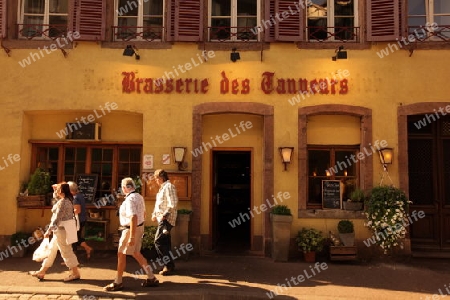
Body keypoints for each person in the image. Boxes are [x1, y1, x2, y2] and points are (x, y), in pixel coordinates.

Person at [104, 177, 158, 291]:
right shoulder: (139, 196)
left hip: (129, 229)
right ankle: (151, 277)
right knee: (136, 253)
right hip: (138, 227)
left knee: (121, 254)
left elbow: (133, 217)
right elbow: (143, 214)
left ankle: (118, 282)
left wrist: (132, 236)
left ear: (124, 188)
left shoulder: (129, 200)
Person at [29, 183, 81, 282]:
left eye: (58, 189)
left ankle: (75, 273)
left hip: (61, 231)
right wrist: (54, 191)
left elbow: (57, 218)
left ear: (62, 191)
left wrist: (48, 231)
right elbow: (57, 201)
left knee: (66, 252)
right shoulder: (67, 200)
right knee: (51, 251)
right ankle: (42, 272)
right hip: (60, 230)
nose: (56, 191)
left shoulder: (64, 202)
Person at [151, 169, 178, 276]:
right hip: (163, 219)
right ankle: (169, 265)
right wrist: (154, 214)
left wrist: (164, 215)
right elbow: (160, 204)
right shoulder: (163, 188)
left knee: (158, 241)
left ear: (161, 177)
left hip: (166, 220)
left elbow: (173, 203)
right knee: (165, 243)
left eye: (156, 178)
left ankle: (167, 265)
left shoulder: (169, 187)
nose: (155, 181)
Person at [68, 181, 93, 260]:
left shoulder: (75, 198)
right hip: (81, 219)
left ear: (71, 190)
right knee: (76, 238)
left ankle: (73, 258)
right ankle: (87, 248)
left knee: (73, 239)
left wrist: (67, 213)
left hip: (77, 221)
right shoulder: (80, 195)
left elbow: (77, 210)